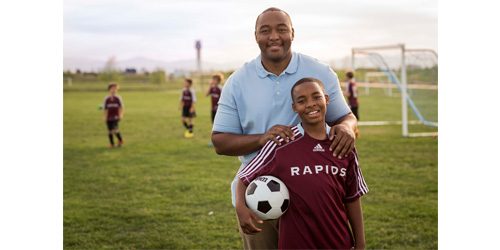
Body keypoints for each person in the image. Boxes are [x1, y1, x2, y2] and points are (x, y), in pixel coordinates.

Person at [211, 7, 359, 249]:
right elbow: (219, 141)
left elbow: (346, 117)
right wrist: (262, 139)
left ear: (292, 32)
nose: (274, 37)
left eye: (281, 29)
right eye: (265, 31)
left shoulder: (320, 72)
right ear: (255, 36)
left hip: (315, 193)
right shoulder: (237, 81)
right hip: (259, 196)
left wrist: (346, 128)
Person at [235, 78, 368, 249]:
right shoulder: (281, 143)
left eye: (316, 97)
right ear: (294, 108)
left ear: (326, 99)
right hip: (295, 243)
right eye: (302, 101)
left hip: (338, 241)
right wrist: (240, 205)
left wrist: (360, 243)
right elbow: (245, 176)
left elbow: (352, 197)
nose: (311, 104)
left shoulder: (342, 143)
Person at [102, 82, 124, 148]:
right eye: (112, 89)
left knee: (115, 129)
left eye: (115, 89)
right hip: (109, 116)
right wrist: (104, 117)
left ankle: (120, 140)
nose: (114, 90)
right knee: (109, 131)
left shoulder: (118, 98)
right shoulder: (107, 98)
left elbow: (122, 107)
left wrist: (120, 115)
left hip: (116, 116)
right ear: (109, 90)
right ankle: (112, 144)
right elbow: (104, 108)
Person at [205, 73, 224, 145]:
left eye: (214, 79)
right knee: (213, 125)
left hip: (219, 110)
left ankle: (221, 140)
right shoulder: (212, 88)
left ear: (218, 81)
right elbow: (206, 94)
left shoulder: (220, 88)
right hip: (213, 109)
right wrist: (210, 86)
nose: (212, 81)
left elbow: (223, 99)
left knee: (219, 126)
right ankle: (214, 141)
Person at [344, 70, 360, 138]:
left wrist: (340, 93)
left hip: (351, 103)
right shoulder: (353, 83)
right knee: (354, 118)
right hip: (355, 102)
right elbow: (356, 92)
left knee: (350, 119)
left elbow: (349, 94)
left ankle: (355, 133)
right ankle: (355, 133)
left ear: (347, 76)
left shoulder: (349, 83)